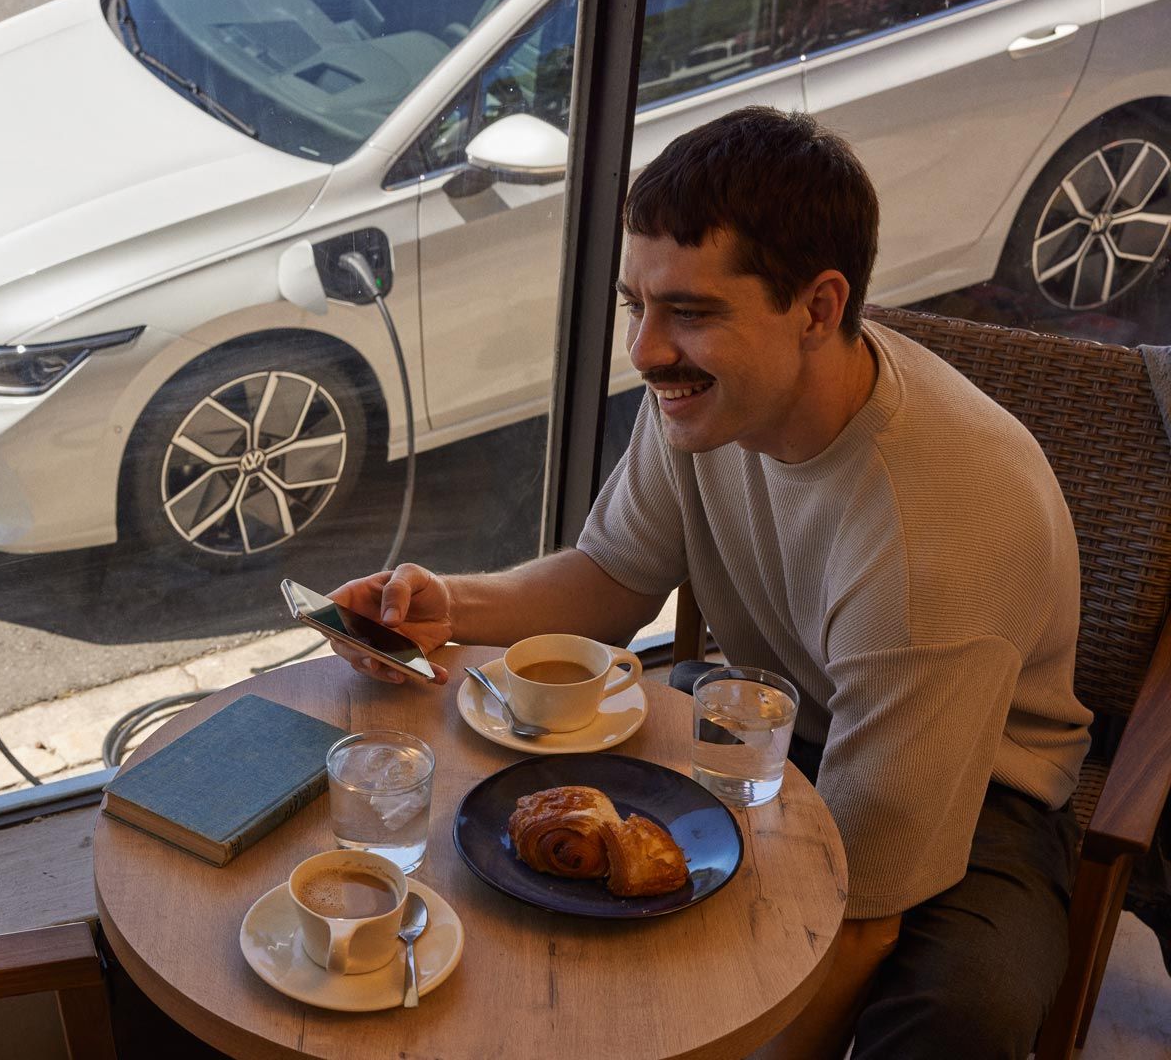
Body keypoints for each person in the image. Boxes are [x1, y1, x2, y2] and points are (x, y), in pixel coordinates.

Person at [328, 107, 1090, 1058]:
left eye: (690, 313)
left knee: (953, 1020)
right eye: (636, 305)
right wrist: (446, 607)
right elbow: (611, 579)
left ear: (817, 308)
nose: (645, 352)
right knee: (506, 840)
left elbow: (863, 922)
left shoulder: (935, 542)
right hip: (760, 717)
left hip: (979, 791)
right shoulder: (710, 400)